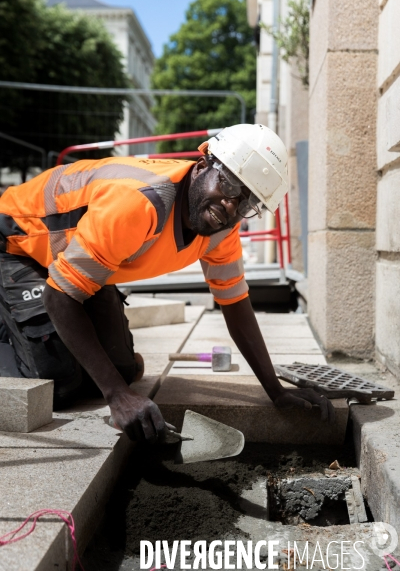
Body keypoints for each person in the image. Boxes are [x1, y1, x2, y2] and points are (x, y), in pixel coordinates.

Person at [0, 124, 334, 441]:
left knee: (122, 369)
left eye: (247, 202)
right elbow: (60, 297)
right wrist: (116, 396)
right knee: (61, 380)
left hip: (76, 259)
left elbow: (235, 304)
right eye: (230, 184)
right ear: (203, 165)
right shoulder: (140, 203)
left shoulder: (221, 229)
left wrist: (276, 391)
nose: (231, 205)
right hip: (15, 243)